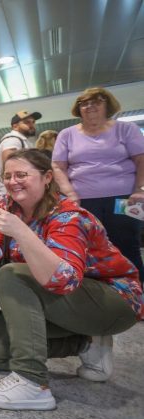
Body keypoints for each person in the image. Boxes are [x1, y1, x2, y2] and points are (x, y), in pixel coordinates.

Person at [0, 149, 142, 411]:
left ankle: (32, 383)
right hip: (63, 299)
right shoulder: (8, 207)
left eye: (22, 175)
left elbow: (65, 280)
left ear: (47, 177)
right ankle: (88, 343)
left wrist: (20, 230)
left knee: (12, 274)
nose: (12, 181)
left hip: (113, 300)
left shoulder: (69, 216)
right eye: (7, 176)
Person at [52, 87, 144, 281]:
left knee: (128, 245)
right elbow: (57, 166)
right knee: (92, 249)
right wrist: (69, 193)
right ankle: (103, 300)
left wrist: (140, 189)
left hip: (126, 198)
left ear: (107, 104)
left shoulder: (126, 129)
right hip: (83, 200)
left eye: (96, 101)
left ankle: (138, 295)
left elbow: (141, 159)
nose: (89, 106)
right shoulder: (67, 134)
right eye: (84, 103)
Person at [0, 110, 41, 194]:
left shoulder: (21, 140)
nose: (32, 125)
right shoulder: (13, 140)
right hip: (12, 191)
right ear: (15, 126)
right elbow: (10, 166)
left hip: (16, 189)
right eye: (27, 122)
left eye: (33, 122)